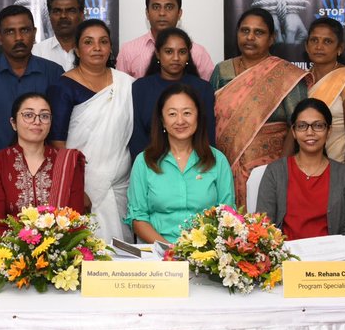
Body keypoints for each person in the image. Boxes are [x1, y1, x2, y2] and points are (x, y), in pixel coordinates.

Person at [211, 7, 310, 207]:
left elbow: (298, 125)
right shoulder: (222, 70)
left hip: (269, 169)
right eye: (245, 31)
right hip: (224, 168)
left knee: (266, 227)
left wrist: (282, 169)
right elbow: (209, 118)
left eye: (259, 32)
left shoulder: (285, 75)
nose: (250, 37)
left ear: (272, 38)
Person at [47, 19, 134, 241]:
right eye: (89, 42)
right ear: (77, 49)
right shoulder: (63, 86)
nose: (97, 48)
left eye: (103, 41)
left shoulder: (126, 84)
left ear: (111, 47)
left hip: (119, 184)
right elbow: (57, 142)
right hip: (81, 183)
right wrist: (75, 187)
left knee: (119, 250)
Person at [0, 5, 64, 182]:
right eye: (10, 32)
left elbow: (60, 129)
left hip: (45, 176)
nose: (18, 38)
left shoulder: (54, 73)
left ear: (34, 33)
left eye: (24, 30)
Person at [126, 83, 234, 243]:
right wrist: (170, 251)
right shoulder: (144, 161)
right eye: (172, 114)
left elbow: (228, 215)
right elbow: (137, 218)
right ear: (162, 120)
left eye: (187, 113)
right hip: (158, 255)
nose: (180, 120)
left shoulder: (217, 160)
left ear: (198, 116)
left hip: (206, 254)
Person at [0, 92, 87, 236]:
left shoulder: (68, 162)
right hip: (10, 252)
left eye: (44, 116)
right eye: (28, 115)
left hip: (60, 251)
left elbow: (75, 221)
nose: (37, 121)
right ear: (13, 123)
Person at [257, 98, 345, 242]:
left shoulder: (344, 175)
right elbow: (264, 226)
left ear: (329, 130)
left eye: (318, 126)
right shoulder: (275, 172)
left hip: (331, 259)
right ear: (293, 131)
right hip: (287, 258)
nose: (310, 132)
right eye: (302, 126)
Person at [127, 27, 215, 157]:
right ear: (158, 53)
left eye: (182, 52)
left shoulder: (203, 89)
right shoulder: (140, 88)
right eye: (169, 52)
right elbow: (137, 138)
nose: (176, 58)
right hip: (151, 167)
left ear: (188, 55)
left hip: (195, 168)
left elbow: (207, 137)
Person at [115, 0, 216, 80]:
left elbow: (208, 92)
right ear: (147, 13)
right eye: (156, 7)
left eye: (169, 7)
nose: (162, 13)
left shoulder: (198, 53)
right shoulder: (128, 51)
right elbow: (120, 93)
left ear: (179, 13)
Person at [305, 17, 345, 175]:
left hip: (339, 170)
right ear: (306, 46)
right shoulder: (300, 81)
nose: (319, 46)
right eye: (314, 40)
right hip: (303, 171)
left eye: (327, 42)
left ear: (340, 48)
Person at [33, 0, 84, 71]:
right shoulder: (36, 52)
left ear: (81, 15)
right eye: (57, 11)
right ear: (49, 15)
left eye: (70, 10)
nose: (63, 16)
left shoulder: (93, 51)